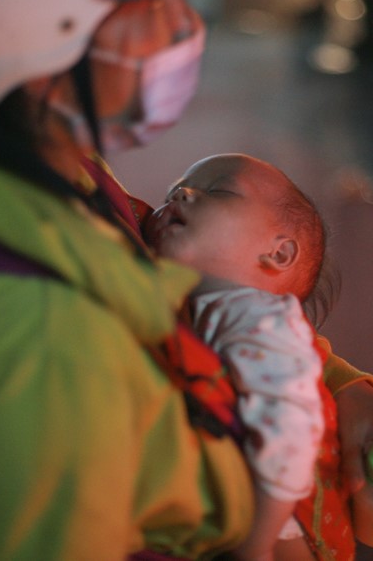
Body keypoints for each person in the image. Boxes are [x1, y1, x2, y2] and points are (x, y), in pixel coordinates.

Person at [0, 0, 373, 559]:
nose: (180, 20)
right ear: (36, 35)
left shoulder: (47, 174)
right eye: (149, 0)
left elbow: (199, 295)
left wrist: (344, 395)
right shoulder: (41, 344)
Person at [146, 153, 347, 561]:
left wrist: (256, 542)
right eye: (173, 192)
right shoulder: (199, 305)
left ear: (278, 254)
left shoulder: (256, 319)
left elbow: (291, 430)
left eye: (217, 191)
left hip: (281, 528)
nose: (182, 193)